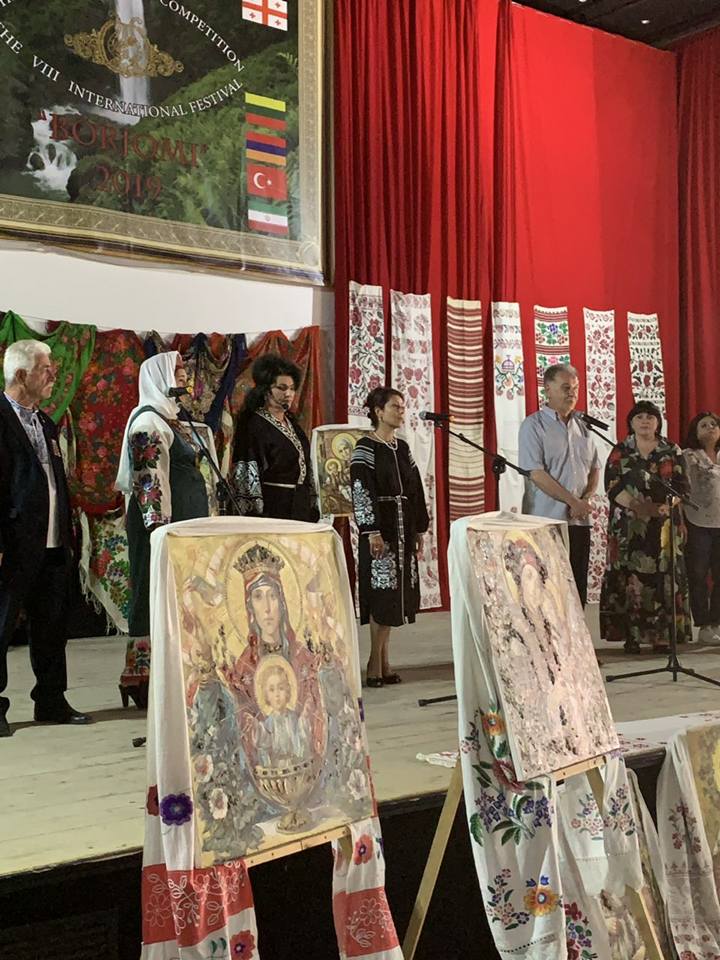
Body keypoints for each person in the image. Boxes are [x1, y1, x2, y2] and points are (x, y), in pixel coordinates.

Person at [0, 339, 90, 736]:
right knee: (1, 626)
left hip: (51, 543)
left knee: (52, 626)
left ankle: (51, 700)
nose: (54, 373)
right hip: (12, 544)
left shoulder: (45, 422)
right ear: (22, 375)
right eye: (45, 368)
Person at [114, 351, 213, 708]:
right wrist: (161, 532)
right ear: (160, 377)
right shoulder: (147, 423)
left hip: (182, 528)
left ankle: (174, 674)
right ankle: (142, 678)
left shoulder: (170, 419)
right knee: (151, 595)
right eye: (178, 370)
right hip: (160, 530)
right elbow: (148, 483)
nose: (184, 376)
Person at [350, 387, 430, 687]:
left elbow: (415, 488)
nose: (400, 411)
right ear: (378, 411)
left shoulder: (402, 448)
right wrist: (371, 530)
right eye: (395, 406)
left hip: (402, 529)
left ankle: (384, 663)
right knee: (382, 595)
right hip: (380, 531)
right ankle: (373, 663)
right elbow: (361, 490)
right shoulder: (365, 448)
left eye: (402, 406)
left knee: (396, 597)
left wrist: (419, 527)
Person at [600, 400, 692, 652]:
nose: (645, 421)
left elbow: (683, 486)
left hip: (663, 523)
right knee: (630, 577)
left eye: (650, 417)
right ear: (630, 422)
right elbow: (612, 485)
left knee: (662, 577)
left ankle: (661, 636)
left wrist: (665, 506)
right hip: (628, 526)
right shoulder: (621, 450)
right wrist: (635, 505)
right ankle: (632, 636)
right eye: (639, 417)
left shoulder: (671, 450)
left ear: (658, 422)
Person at [518, 364, 600, 607]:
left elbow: (594, 469)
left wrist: (585, 500)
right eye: (565, 388)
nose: (572, 393)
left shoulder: (583, 426)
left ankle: (577, 633)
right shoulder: (533, 425)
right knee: (549, 589)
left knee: (576, 588)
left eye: (575, 388)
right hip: (547, 520)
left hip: (579, 520)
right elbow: (536, 473)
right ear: (548, 389)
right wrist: (572, 501)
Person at [232, 355, 319, 521]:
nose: (289, 394)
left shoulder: (294, 425)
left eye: (292, 388)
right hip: (274, 509)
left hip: (300, 507)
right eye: (282, 388)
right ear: (266, 390)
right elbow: (247, 471)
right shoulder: (254, 425)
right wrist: (254, 514)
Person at [683, 411, 720, 643]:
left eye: (714, 424)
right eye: (704, 425)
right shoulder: (689, 456)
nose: (710, 428)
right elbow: (681, 488)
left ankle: (716, 622)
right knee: (698, 574)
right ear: (695, 433)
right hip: (697, 521)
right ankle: (703, 624)